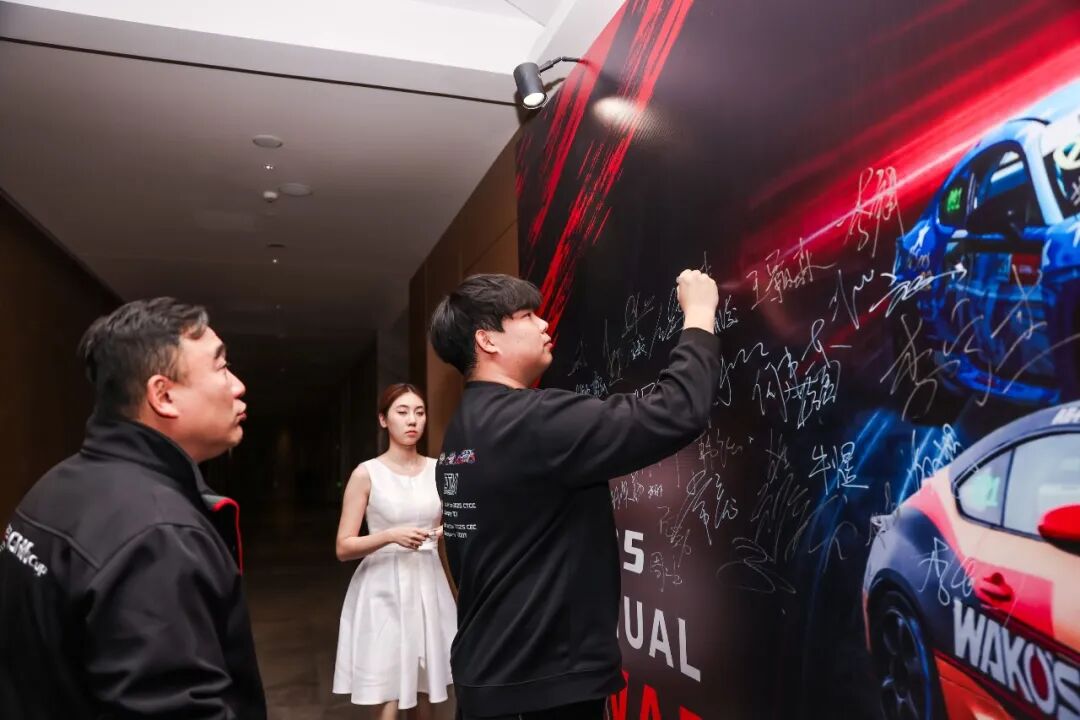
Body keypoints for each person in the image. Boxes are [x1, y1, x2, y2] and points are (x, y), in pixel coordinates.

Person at [428, 270, 722, 720]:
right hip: (540, 688)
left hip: (492, 675)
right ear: (487, 341)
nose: (543, 324)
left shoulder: (462, 432)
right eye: (526, 316)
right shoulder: (530, 422)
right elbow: (676, 411)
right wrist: (699, 314)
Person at [0, 297, 266, 719]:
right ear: (163, 395)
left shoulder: (56, 485)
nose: (237, 386)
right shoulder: (158, 536)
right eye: (221, 367)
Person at [334, 383, 457, 720]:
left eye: (419, 412)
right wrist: (390, 536)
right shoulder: (366, 474)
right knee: (388, 696)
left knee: (426, 695)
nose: (412, 420)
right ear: (383, 419)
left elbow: (451, 524)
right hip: (383, 589)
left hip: (428, 585)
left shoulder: (438, 470)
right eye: (402, 412)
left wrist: (444, 532)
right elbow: (343, 546)